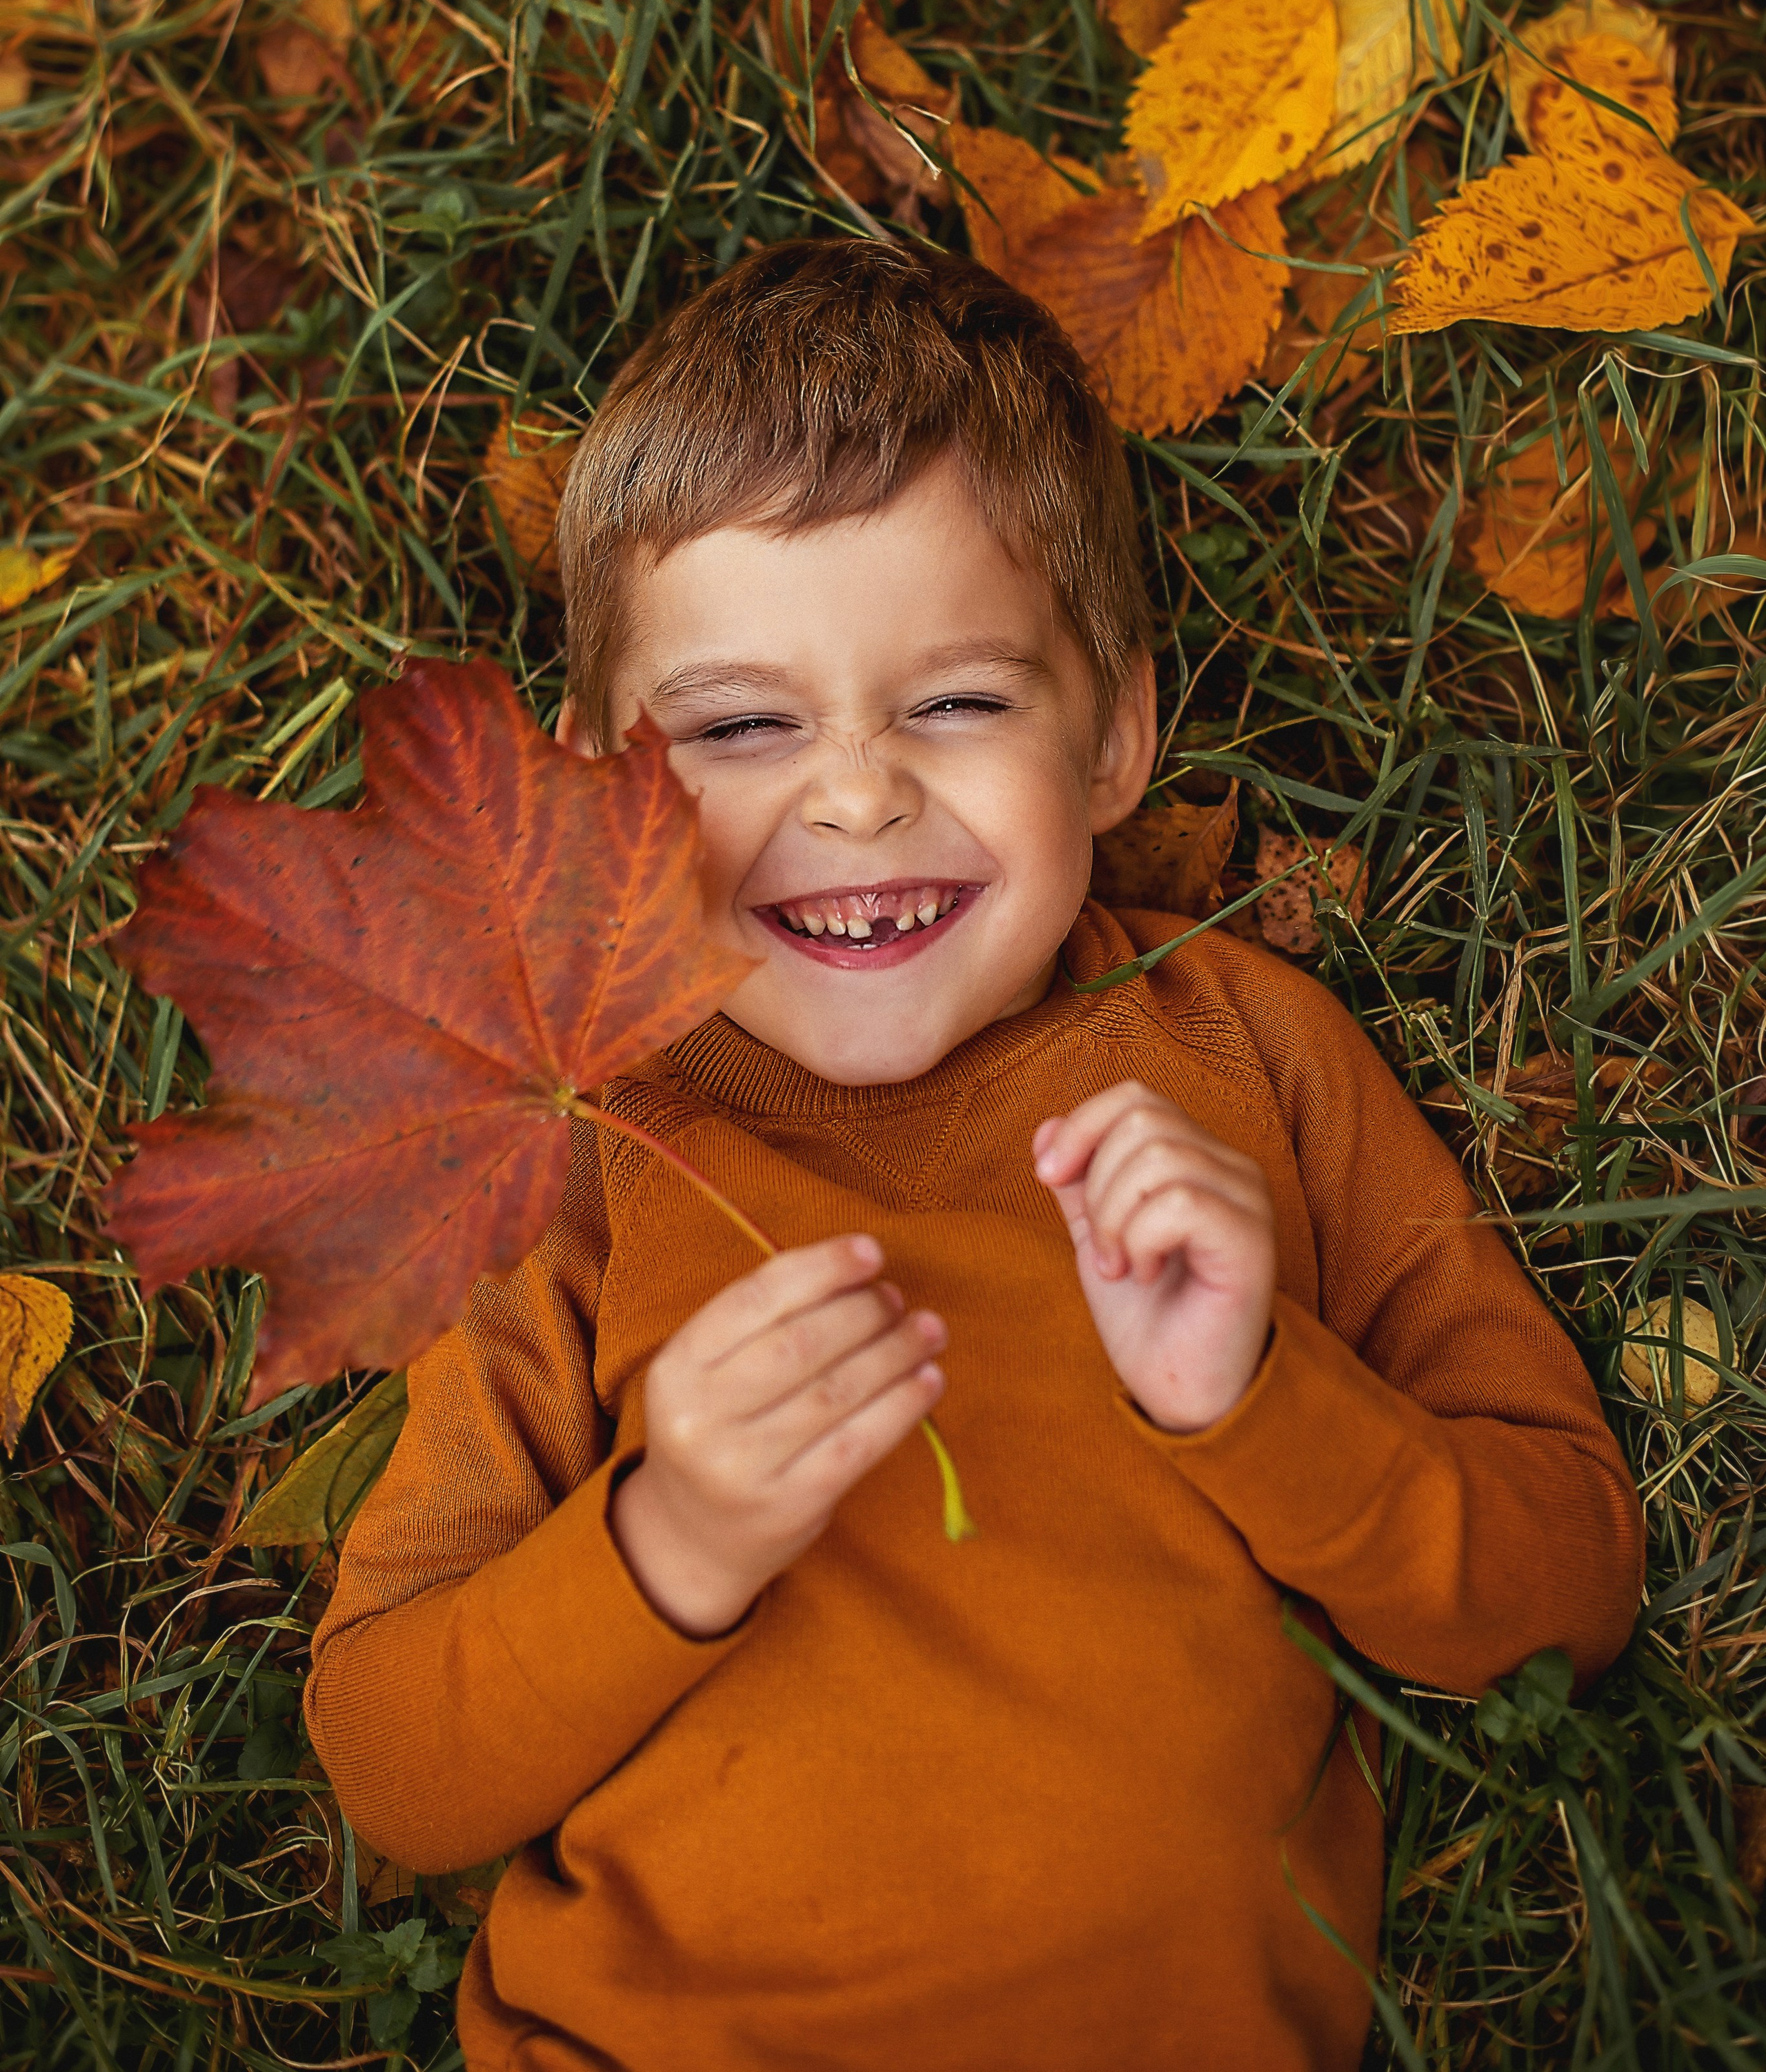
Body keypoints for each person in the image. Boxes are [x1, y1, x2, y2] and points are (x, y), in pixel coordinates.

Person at [305, 236, 1642, 2071]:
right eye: (743, 726)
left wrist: (1258, 1393)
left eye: (953, 701)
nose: (857, 792)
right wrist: (667, 1537)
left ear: (1114, 738)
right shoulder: (586, 1143)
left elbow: (1565, 1595)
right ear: (595, 791)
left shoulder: (1240, 1053)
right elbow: (392, 1769)